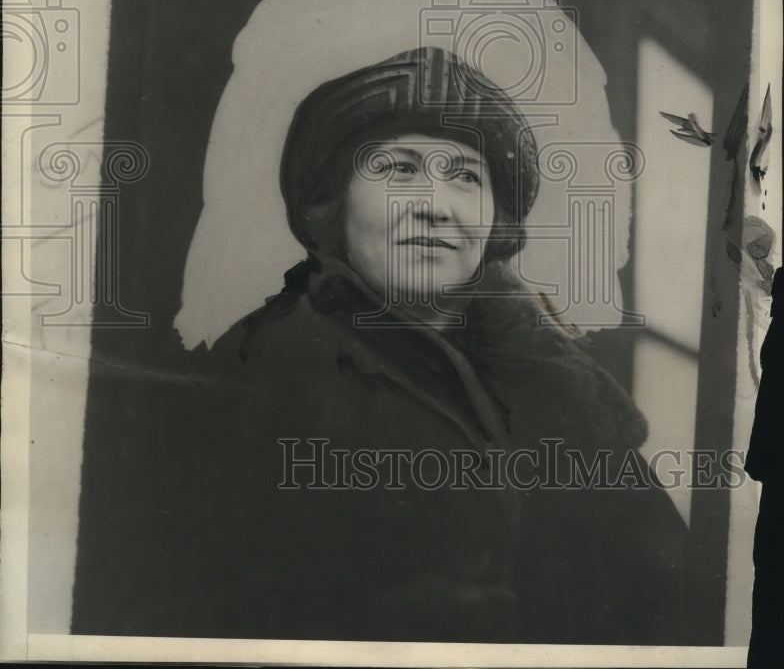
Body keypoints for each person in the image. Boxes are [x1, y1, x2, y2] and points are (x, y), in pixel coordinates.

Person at [144, 45, 688, 643]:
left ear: (495, 222)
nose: (434, 207)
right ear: (331, 206)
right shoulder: (266, 370)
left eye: (466, 178)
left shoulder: (556, 381)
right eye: (398, 170)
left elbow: (672, 602)